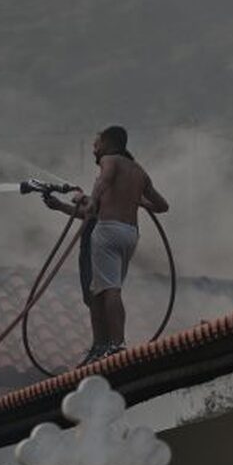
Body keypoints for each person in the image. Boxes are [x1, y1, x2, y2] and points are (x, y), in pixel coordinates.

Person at [43, 125, 168, 365]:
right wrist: (139, 201)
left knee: (109, 290)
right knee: (99, 292)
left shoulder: (110, 160)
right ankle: (101, 347)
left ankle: (117, 345)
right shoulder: (139, 171)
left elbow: (104, 180)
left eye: (96, 144)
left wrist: (91, 199)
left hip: (108, 231)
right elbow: (163, 206)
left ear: (109, 144)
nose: (94, 150)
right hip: (130, 234)